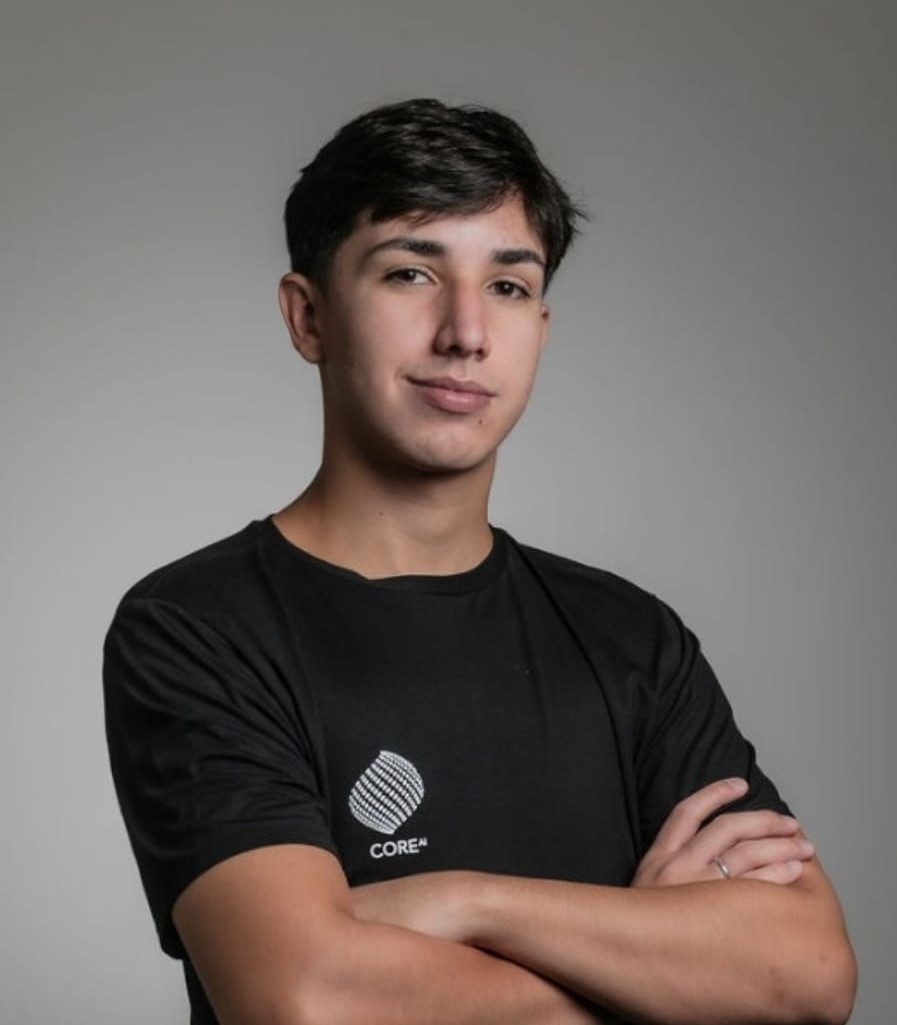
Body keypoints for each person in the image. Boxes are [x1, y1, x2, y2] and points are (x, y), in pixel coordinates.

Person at [103, 98, 856, 1025]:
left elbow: (809, 972)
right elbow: (307, 999)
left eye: (506, 285)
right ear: (308, 317)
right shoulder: (199, 626)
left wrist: (464, 900)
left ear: (540, 324)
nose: (465, 332)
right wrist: (656, 962)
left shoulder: (630, 636)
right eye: (410, 273)